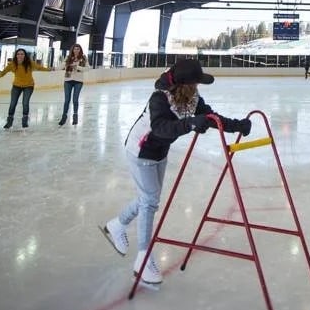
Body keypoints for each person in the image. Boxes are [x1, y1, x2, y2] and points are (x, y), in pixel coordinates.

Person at [99, 58, 251, 284]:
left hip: (159, 151)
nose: (198, 87)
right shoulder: (159, 98)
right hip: (141, 150)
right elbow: (161, 128)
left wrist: (237, 125)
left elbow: (210, 117)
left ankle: (118, 224)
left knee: (149, 198)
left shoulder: (193, 99)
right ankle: (143, 257)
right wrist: (189, 124)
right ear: (186, 84)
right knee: (150, 200)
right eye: (196, 83)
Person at [0, 47, 52, 129]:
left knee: (25, 103)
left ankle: (24, 121)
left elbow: (39, 68)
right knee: (12, 104)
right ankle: (9, 122)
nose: (20, 55)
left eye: (22, 54)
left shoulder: (30, 63)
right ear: (16, 55)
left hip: (28, 86)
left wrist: (49, 69)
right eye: (18, 54)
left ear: (25, 55)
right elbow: (3, 72)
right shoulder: (12, 64)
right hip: (16, 86)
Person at [60, 43, 88, 126]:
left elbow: (87, 68)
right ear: (72, 50)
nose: (76, 50)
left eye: (78, 49)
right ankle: (64, 117)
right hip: (68, 80)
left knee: (75, 99)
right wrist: (53, 69)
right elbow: (62, 65)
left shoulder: (83, 58)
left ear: (80, 50)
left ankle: (75, 116)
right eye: (75, 49)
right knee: (67, 100)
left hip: (78, 81)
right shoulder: (68, 58)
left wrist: (77, 67)